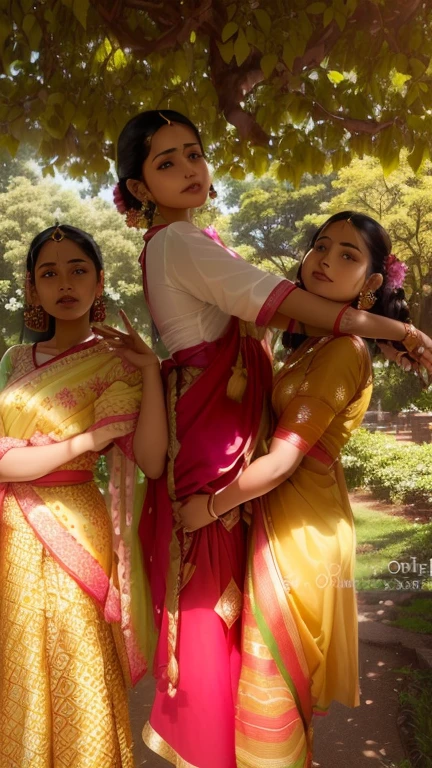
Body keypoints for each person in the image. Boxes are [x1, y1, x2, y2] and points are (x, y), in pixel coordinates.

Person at [111, 109, 432, 768]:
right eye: (166, 162)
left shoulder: (327, 349)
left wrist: (376, 334)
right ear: (140, 188)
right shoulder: (181, 244)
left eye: (193, 153)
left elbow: (282, 319)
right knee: (221, 619)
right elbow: (280, 300)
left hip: (263, 489)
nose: (189, 169)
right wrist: (395, 331)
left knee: (247, 642)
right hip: (219, 447)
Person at [178, 210, 414, 767]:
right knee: (269, 696)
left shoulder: (340, 351)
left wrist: (208, 509)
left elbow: (282, 460)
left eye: (348, 256)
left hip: (300, 535)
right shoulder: (308, 345)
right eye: (320, 247)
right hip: (285, 520)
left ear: (372, 284)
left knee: (274, 686)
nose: (326, 261)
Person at [0, 224, 168, 768]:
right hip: (10, 528)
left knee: (78, 656)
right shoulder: (13, 361)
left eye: (78, 270)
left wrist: (148, 370)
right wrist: (92, 436)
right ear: (32, 288)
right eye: (48, 273)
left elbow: (150, 460)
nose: (64, 283)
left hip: (75, 524)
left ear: (99, 283)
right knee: (18, 656)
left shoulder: (121, 362)